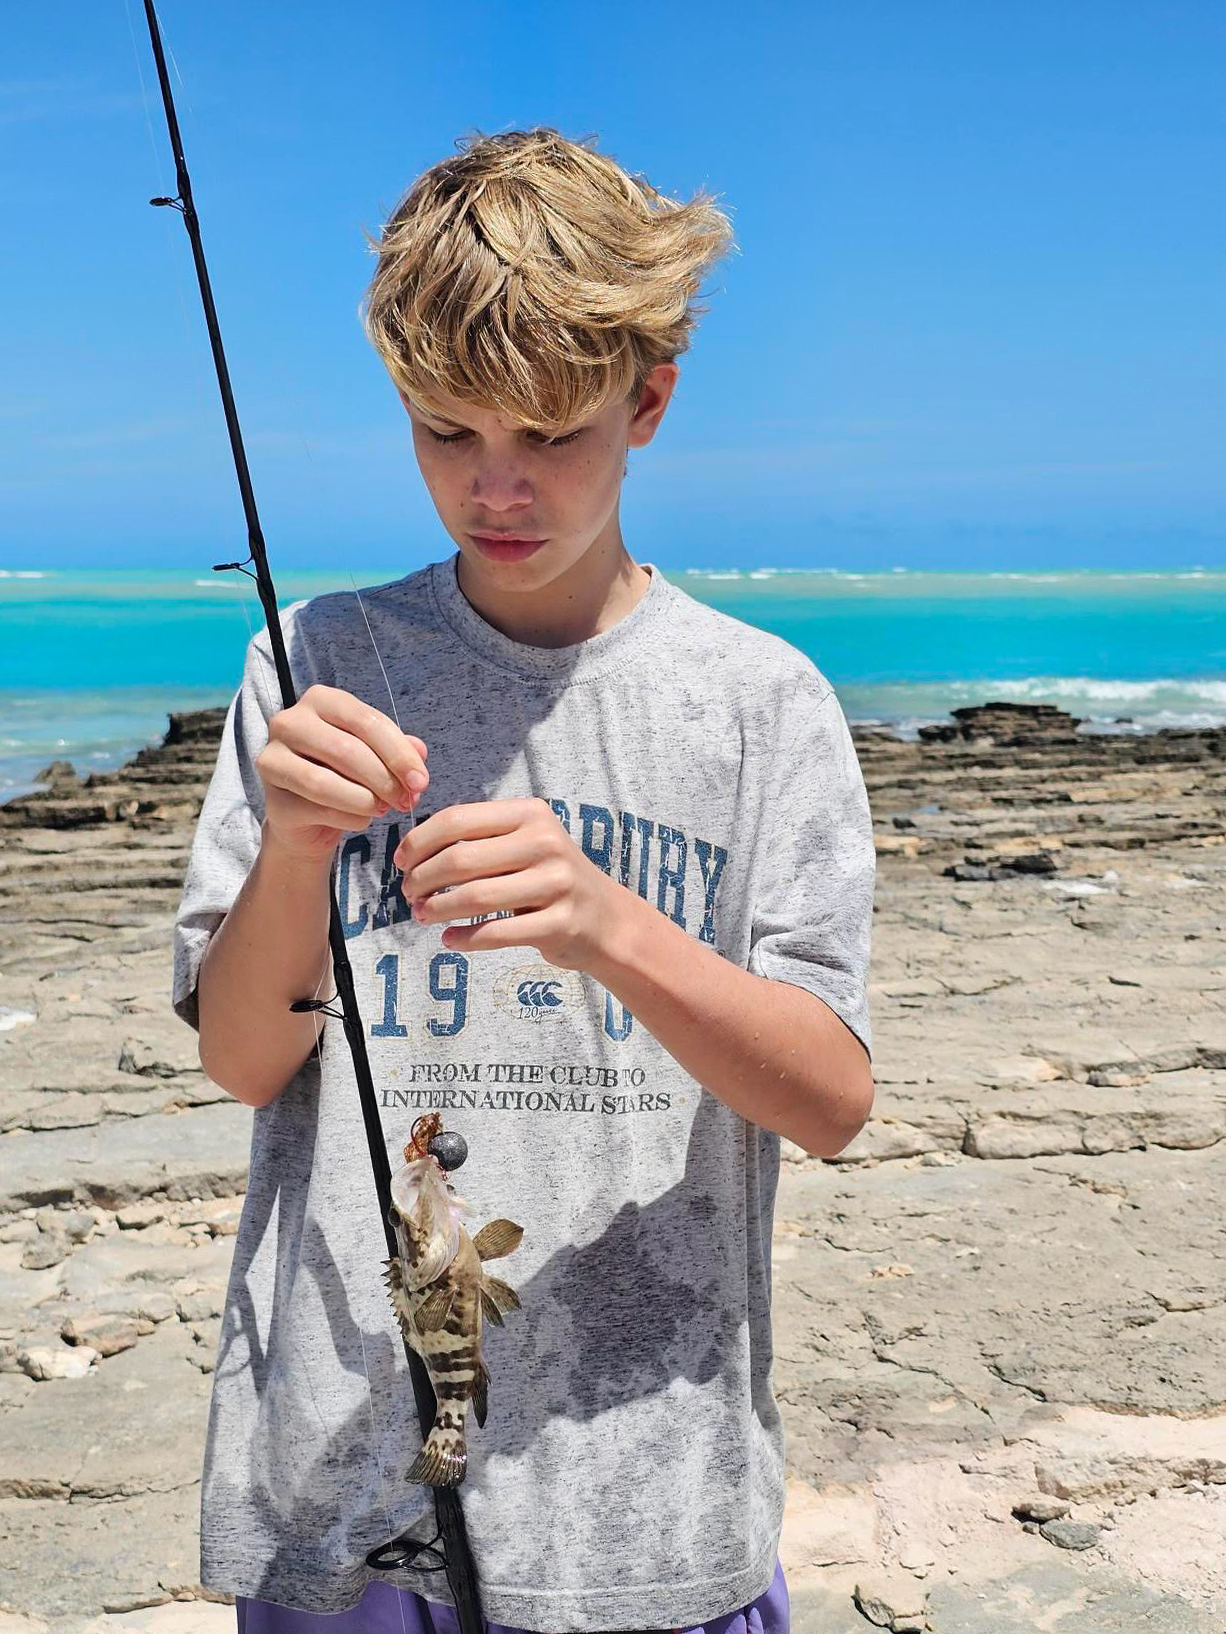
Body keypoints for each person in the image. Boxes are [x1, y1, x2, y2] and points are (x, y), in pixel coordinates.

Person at [172, 125, 876, 1634]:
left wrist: (616, 929)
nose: (495, 484)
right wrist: (296, 847)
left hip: (652, 1495)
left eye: (549, 435)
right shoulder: (313, 666)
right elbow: (244, 1058)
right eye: (445, 430)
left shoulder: (756, 705)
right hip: (347, 1495)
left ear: (648, 402)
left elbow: (826, 1098)